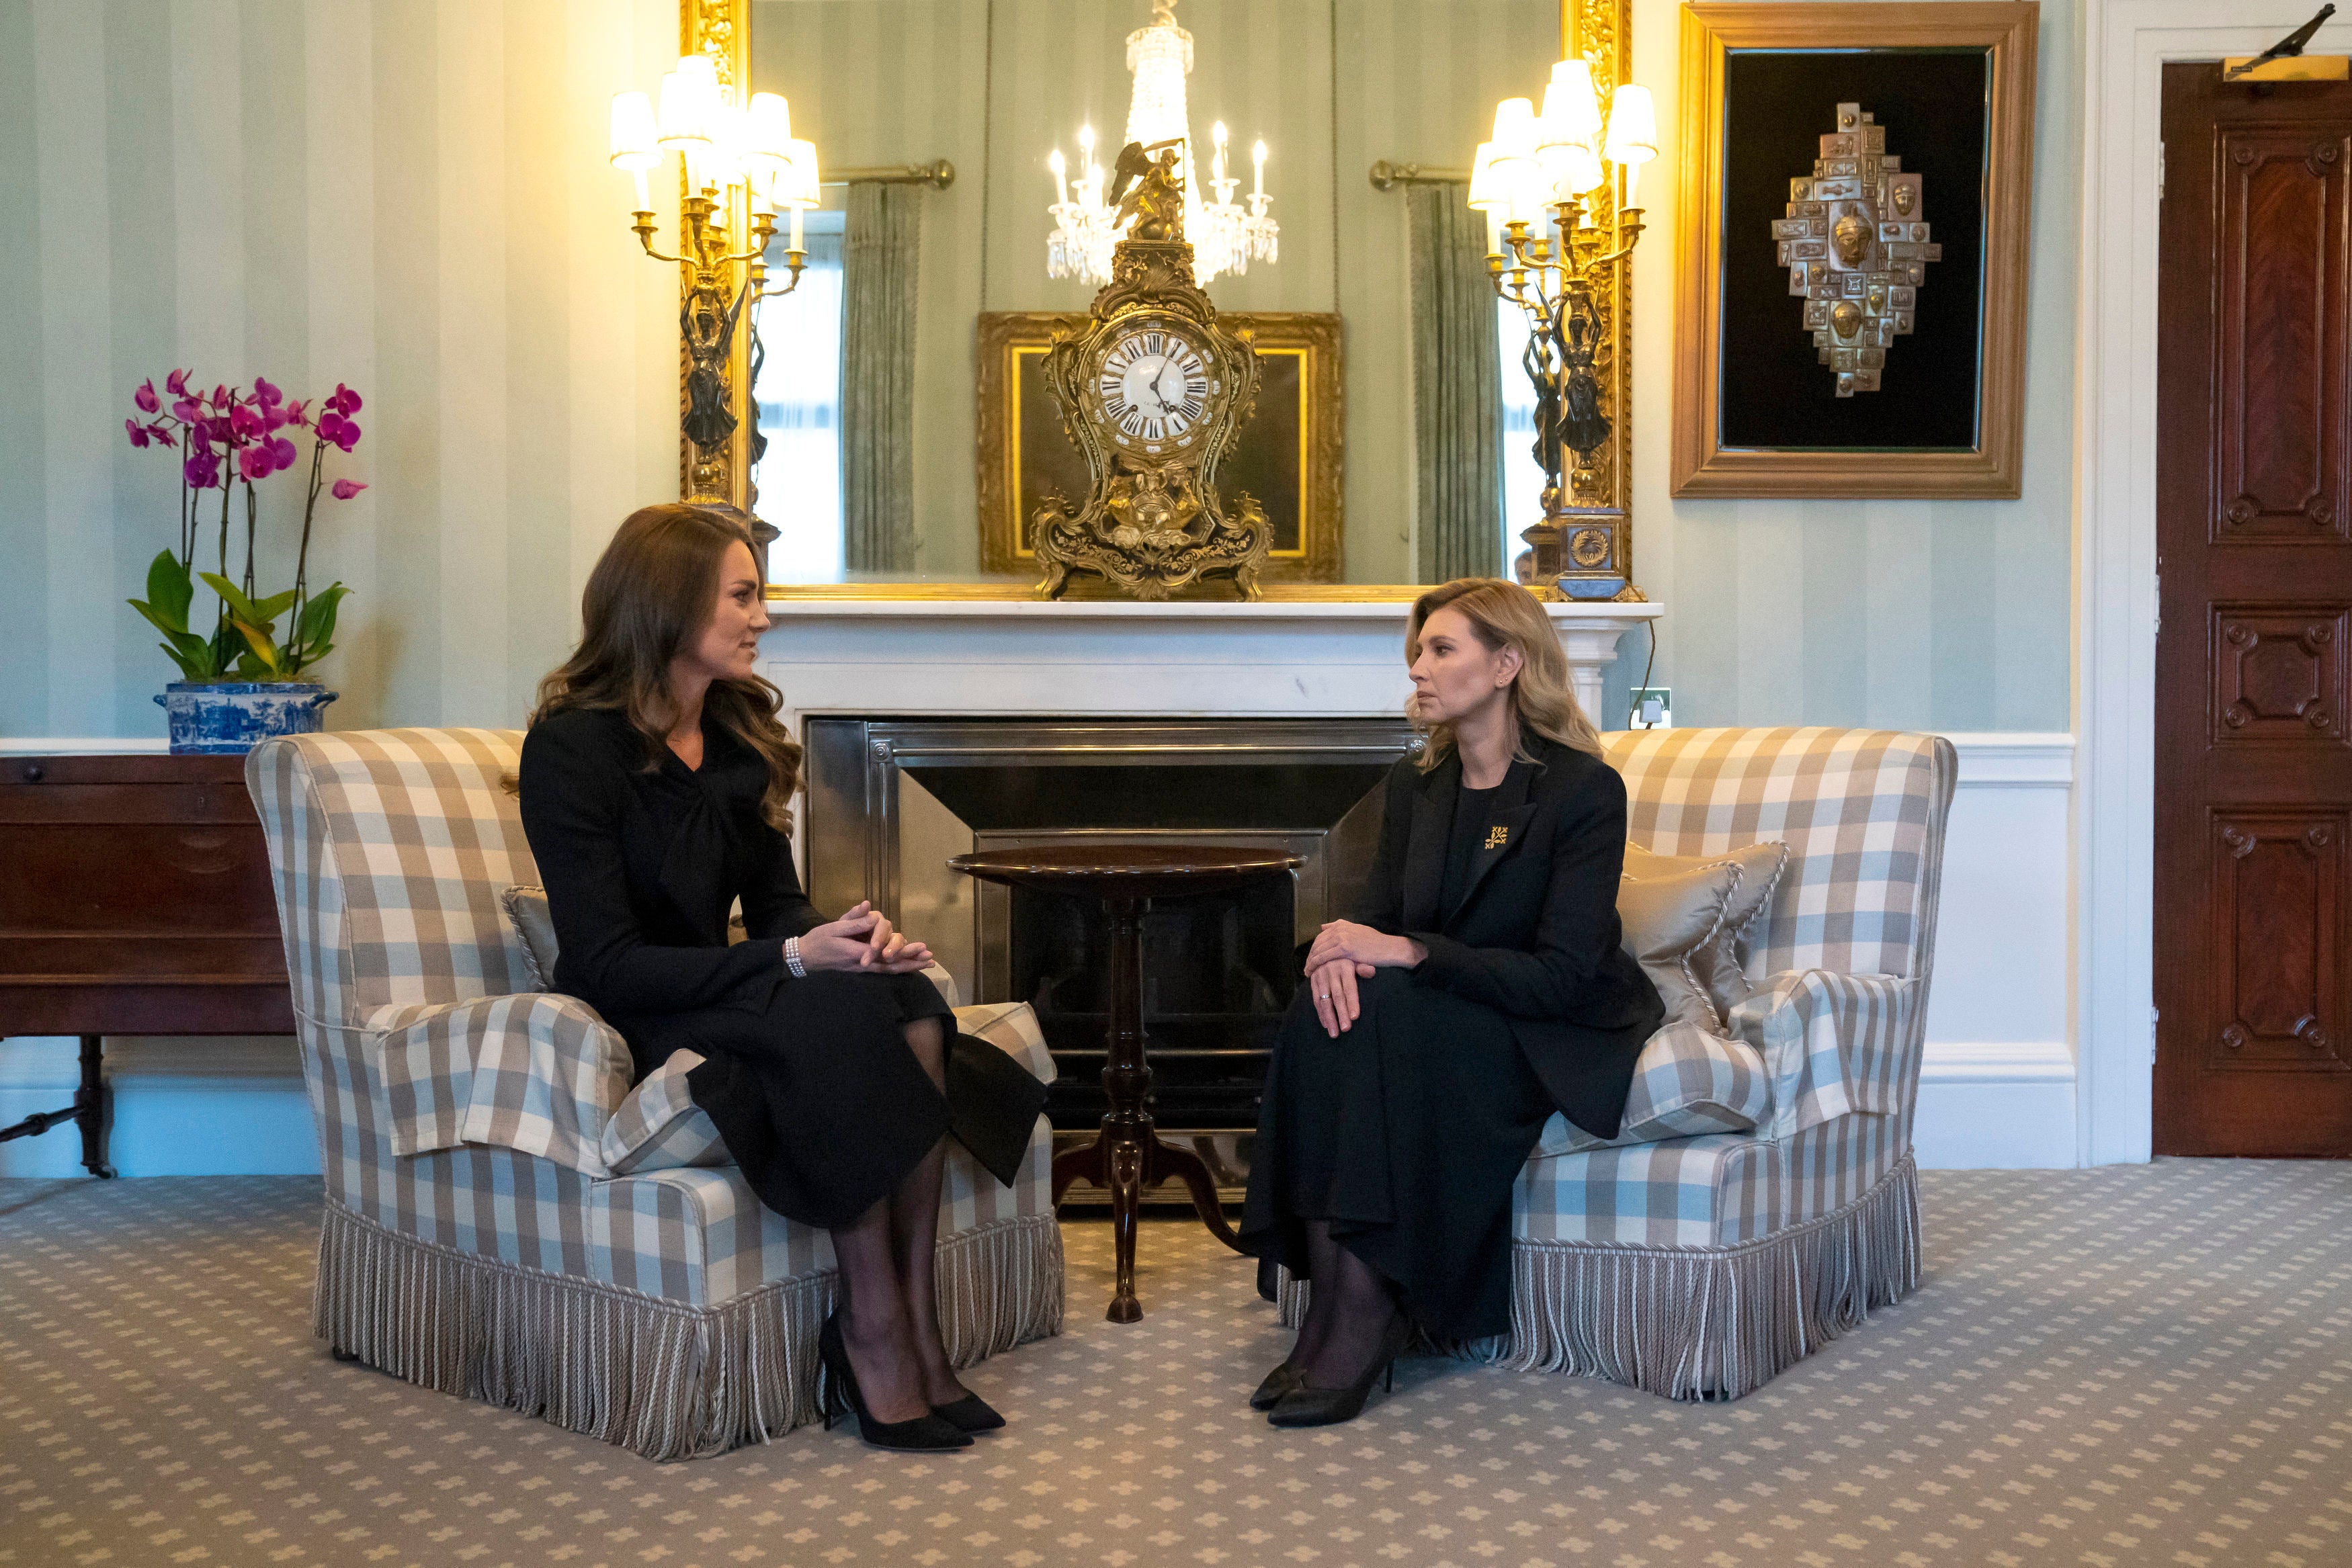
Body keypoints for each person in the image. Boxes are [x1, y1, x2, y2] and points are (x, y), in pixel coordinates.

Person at [516, 505, 1046, 1454]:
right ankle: (871, 1329)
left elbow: (776, 909)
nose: (763, 617)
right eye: (744, 595)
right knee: (834, 1023)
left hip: (734, 983)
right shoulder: (571, 748)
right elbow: (602, 960)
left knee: (911, 1001)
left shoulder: (735, 738)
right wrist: (797, 959)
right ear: (671, 604)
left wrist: (848, 938)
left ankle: (916, 1321)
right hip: (651, 1001)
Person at [1238, 578, 1664, 1428]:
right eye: (1417, 652)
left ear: (1507, 664)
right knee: (1326, 1008)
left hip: (1549, 1024)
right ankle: (1332, 1312)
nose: (1417, 670)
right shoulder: (1418, 785)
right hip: (1448, 1007)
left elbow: (1562, 975)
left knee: (1381, 1007)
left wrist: (1402, 952)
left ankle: (1363, 1315)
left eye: (1440, 650)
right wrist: (1336, 951)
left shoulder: (1582, 792)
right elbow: (1386, 925)